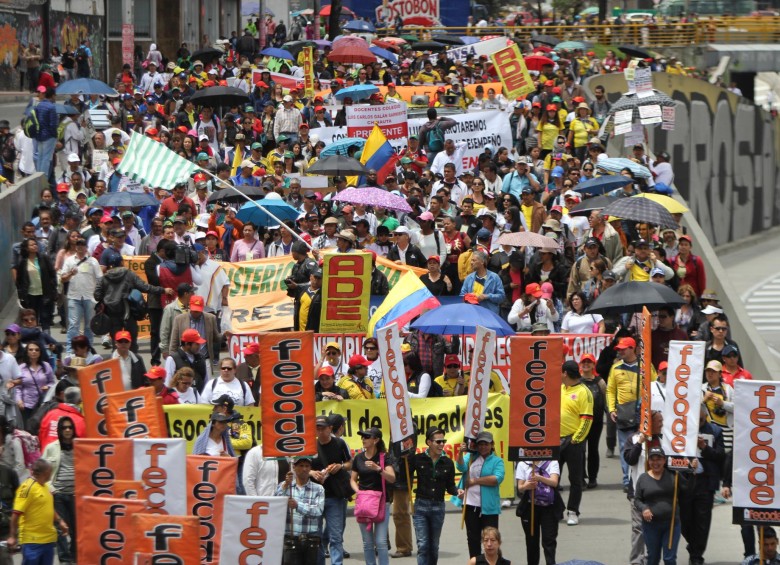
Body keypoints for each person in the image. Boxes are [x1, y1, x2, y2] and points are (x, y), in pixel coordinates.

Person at [94, 252, 173, 350]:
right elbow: (145, 287)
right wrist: (163, 290)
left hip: (111, 313)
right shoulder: (128, 274)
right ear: (122, 263)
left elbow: (97, 295)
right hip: (128, 313)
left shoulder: (104, 278)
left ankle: (117, 362)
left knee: (116, 343)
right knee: (131, 343)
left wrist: (107, 296)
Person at [607, 337, 656, 492]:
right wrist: (611, 409)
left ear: (633, 348)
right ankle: (627, 480)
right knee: (624, 447)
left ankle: (643, 476)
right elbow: (610, 390)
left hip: (642, 411)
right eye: (619, 349)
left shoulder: (646, 365)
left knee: (644, 445)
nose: (620, 351)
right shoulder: (615, 367)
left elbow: (655, 385)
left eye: (623, 348)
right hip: (623, 412)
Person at [679, 404, 726, 565]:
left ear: (705, 416)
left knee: (702, 522)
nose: (697, 422)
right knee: (684, 520)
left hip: (706, 482)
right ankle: (693, 545)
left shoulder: (716, 431)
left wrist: (704, 447)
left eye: (700, 419)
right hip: (686, 481)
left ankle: (697, 555)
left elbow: (721, 456)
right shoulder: (682, 430)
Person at [409, 427, 460, 565]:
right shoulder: (417, 459)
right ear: (429, 442)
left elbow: (450, 486)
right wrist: (404, 456)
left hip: (438, 507)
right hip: (420, 506)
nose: (441, 444)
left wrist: (457, 492)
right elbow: (404, 475)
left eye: (443, 441)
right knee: (423, 545)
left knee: (434, 546)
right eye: (438, 442)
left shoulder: (448, 462)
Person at [634, 446, 693, 565]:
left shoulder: (674, 475)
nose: (655, 463)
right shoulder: (643, 478)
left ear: (664, 461)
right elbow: (637, 500)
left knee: (669, 559)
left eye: (658, 459)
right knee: (653, 558)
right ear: (648, 461)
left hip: (671, 525)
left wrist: (692, 470)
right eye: (652, 459)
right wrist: (644, 508)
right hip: (651, 526)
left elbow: (688, 489)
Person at [8, 458, 68, 565]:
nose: (51, 473)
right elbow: (15, 514)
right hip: (32, 542)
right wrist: (12, 536)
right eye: (51, 471)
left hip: (48, 539)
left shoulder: (46, 486)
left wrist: (60, 521)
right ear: (46, 472)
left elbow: (48, 507)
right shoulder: (27, 488)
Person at [310, 415, 353, 565]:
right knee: (316, 537)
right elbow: (300, 467)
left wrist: (340, 466)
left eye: (323, 428)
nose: (320, 432)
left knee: (335, 536)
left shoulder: (339, 444)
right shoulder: (310, 445)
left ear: (330, 429)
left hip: (335, 495)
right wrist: (311, 473)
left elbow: (349, 463)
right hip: (315, 497)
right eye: (317, 428)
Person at [456, 431, 506, 558]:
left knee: (491, 540)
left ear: (492, 444)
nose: (483, 447)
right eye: (480, 444)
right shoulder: (471, 457)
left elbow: (497, 479)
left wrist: (475, 481)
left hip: (489, 508)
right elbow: (460, 467)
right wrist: (461, 453)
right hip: (470, 504)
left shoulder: (497, 461)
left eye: (486, 444)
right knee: (473, 539)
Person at [350, 427, 395, 565]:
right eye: (362, 437)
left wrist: (378, 469)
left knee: (381, 541)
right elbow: (352, 479)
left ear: (376, 440)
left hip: (382, 502)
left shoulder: (384, 457)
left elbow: (392, 478)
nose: (363, 439)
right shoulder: (358, 458)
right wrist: (358, 492)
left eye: (367, 437)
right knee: (367, 543)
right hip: (364, 502)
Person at [558, 360, 593, 526]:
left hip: (573, 441)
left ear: (565, 373)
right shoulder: (560, 388)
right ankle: (556, 510)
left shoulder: (584, 392)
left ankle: (573, 511)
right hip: (555, 440)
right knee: (552, 478)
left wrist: (575, 439)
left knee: (575, 479)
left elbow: (586, 419)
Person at [41, 416, 77, 564]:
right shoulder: (51, 447)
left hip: (76, 494)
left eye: (70, 427)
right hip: (59, 494)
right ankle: (64, 559)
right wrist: (52, 489)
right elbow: (42, 470)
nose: (67, 430)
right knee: (61, 528)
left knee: (77, 528)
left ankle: (75, 555)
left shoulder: (81, 445)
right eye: (64, 427)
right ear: (59, 430)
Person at [276, 456, 325, 565]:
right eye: (301, 466)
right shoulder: (284, 486)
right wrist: (285, 486)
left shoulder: (318, 489)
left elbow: (318, 511)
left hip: (310, 538)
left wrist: (298, 505)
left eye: (307, 466)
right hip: (290, 538)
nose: (304, 469)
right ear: (294, 467)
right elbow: (276, 505)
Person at [515, 457, 562, 565]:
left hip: (549, 508)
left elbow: (554, 482)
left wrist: (539, 478)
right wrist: (527, 485)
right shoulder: (522, 463)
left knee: (549, 541)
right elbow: (520, 487)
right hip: (530, 507)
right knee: (531, 542)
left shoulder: (552, 462)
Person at [579, 353, 605, 489]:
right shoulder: (576, 381)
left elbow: (606, 399)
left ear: (594, 365)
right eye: (584, 362)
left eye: (589, 362)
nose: (586, 364)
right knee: (580, 450)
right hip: (580, 422)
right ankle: (581, 477)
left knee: (593, 449)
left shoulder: (600, 382)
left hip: (596, 421)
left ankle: (593, 478)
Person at [15, 342, 55, 428]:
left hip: (42, 405)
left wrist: (48, 387)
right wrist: (19, 400)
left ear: (40, 352)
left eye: (37, 350)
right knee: (27, 430)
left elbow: (52, 383)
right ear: (27, 352)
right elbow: (18, 387)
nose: (34, 352)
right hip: (26, 405)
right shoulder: (21, 368)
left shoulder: (46, 366)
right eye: (31, 350)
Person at [37, 386, 84, 451]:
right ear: (79, 401)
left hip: (46, 455)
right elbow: (82, 444)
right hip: (68, 458)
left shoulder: (50, 414)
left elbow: (41, 435)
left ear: (64, 398)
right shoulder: (80, 421)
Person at [460, 251, 505, 315]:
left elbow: (501, 297)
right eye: (471, 260)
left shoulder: (494, 277)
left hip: (489, 314)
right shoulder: (469, 278)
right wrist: (469, 296)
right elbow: (462, 295)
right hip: (472, 313)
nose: (471, 263)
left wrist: (486, 296)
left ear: (482, 262)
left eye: (474, 260)